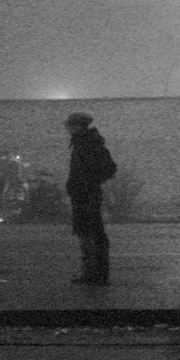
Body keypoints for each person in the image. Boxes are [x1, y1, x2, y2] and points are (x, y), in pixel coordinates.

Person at [64, 112, 117, 286]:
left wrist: (87, 182)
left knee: (90, 233)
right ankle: (93, 273)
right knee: (88, 232)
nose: (67, 129)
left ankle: (95, 274)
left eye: (70, 125)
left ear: (78, 126)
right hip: (86, 193)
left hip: (86, 195)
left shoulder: (86, 144)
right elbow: (108, 168)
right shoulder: (88, 142)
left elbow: (106, 168)